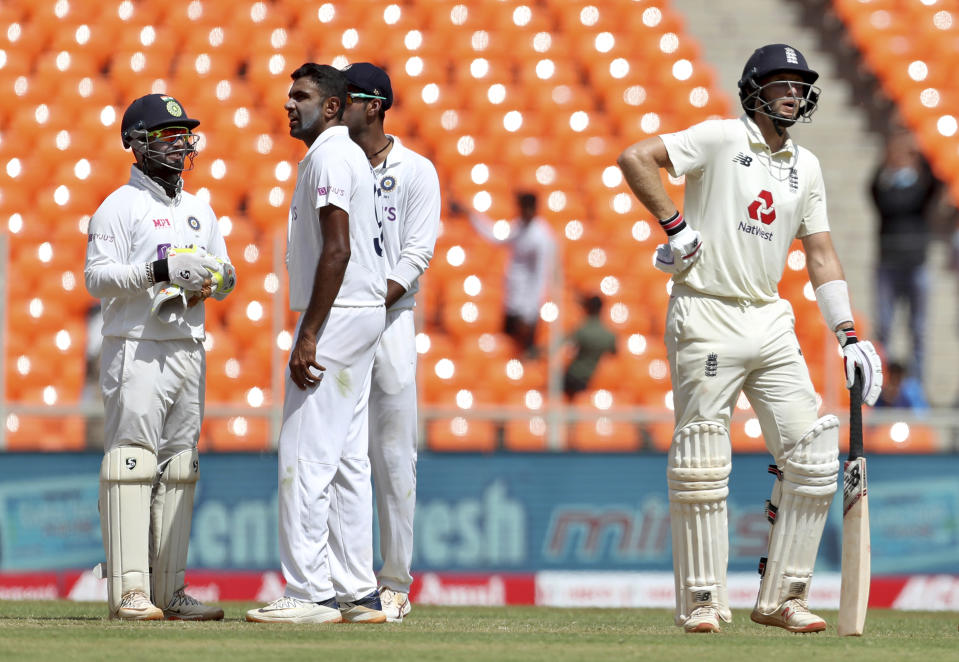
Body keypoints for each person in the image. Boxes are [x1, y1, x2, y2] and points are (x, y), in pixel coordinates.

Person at [617, 44, 883, 634]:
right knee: (703, 457)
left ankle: (782, 595)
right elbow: (636, 157)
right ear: (754, 91)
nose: (793, 91)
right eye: (780, 82)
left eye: (800, 83)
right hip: (706, 311)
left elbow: (819, 252)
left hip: (769, 319)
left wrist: (847, 335)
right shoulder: (719, 137)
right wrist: (676, 227)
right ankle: (704, 601)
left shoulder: (806, 166)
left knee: (813, 454)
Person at [246, 63, 388, 625]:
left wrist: (309, 333)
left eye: (301, 96)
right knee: (349, 458)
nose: (290, 104)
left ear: (332, 107)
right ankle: (357, 590)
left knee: (304, 454)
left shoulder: (330, 153)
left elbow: (337, 249)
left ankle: (310, 592)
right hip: (363, 311)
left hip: (339, 312)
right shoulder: (342, 153)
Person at [84, 93, 235, 621]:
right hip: (136, 348)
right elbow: (96, 277)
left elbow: (228, 273)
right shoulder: (118, 207)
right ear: (136, 143)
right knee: (132, 461)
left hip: (188, 347)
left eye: (183, 134)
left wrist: (208, 282)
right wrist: (158, 273)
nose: (179, 143)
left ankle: (169, 591)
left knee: (178, 467)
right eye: (166, 135)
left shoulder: (199, 209)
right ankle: (129, 591)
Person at [340, 62, 441, 623]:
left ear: (373, 105)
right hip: (340, 321)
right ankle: (345, 580)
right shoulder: (335, 163)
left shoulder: (417, 170)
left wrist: (370, 303)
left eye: (346, 99)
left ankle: (395, 581)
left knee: (394, 455)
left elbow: (417, 253)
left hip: (391, 320)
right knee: (339, 452)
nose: (336, 108)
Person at [870, 127, 940, 386]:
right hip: (888, 262)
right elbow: (874, 193)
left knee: (918, 330)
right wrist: (887, 158)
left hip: (916, 263)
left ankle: (916, 388)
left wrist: (918, 153)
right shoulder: (887, 185)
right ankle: (880, 384)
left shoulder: (919, 186)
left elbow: (934, 184)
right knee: (884, 327)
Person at [450, 191, 556, 357]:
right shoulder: (519, 227)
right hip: (512, 300)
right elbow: (495, 236)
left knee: (524, 352)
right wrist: (470, 214)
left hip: (528, 306)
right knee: (506, 349)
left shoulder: (541, 236)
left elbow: (541, 275)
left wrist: (531, 311)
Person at [563, 295, 617, 399]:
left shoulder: (582, 329)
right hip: (597, 377)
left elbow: (569, 347)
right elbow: (614, 353)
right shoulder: (609, 334)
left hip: (576, 375)